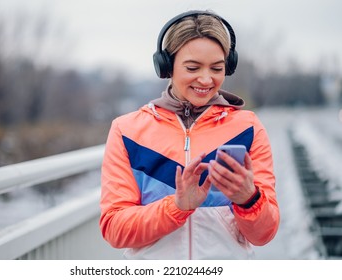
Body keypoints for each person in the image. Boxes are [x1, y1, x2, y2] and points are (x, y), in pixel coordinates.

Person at [99, 10, 280, 259]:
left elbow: (264, 235)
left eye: (217, 68)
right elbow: (114, 229)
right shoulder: (126, 130)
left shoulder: (248, 128)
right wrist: (177, 206)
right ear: (166, 67)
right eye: (193, 67)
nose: (206, 79)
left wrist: (249, 199)